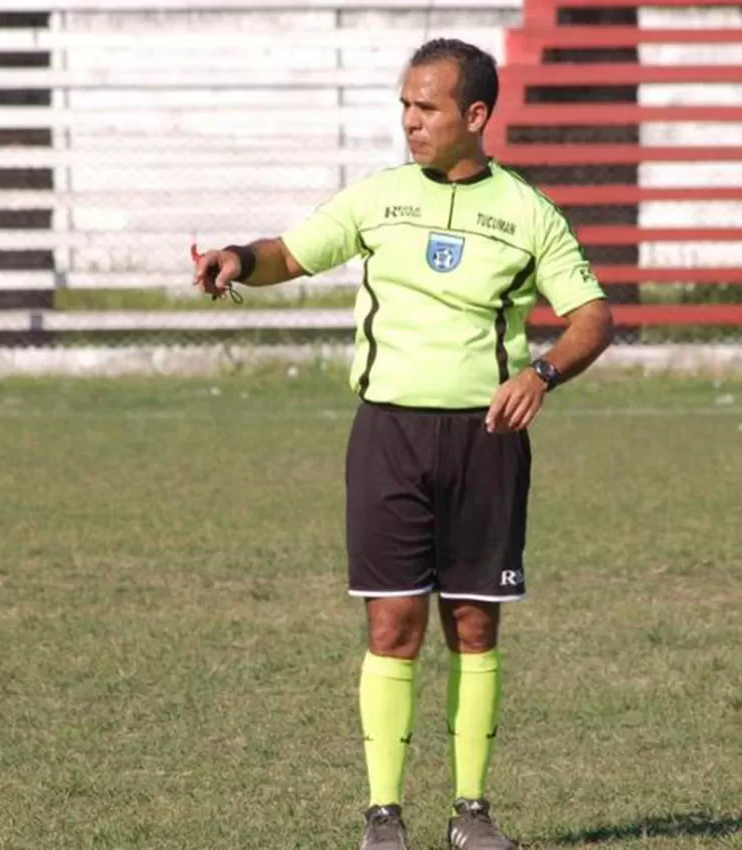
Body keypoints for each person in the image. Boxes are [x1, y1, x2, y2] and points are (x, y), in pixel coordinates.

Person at [191, 39, 614, 850]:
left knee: (474, 628)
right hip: (386, 434)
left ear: (476, 116)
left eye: (427, 109)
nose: (411, 123)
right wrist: (237, 260)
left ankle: (472, 812)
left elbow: (592, 315)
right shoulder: (378, 197)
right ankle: (383, 817)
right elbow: (291, 253)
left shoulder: (528, 211)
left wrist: (543, 374)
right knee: (392, 627)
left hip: (484, 440)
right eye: (405, 107)